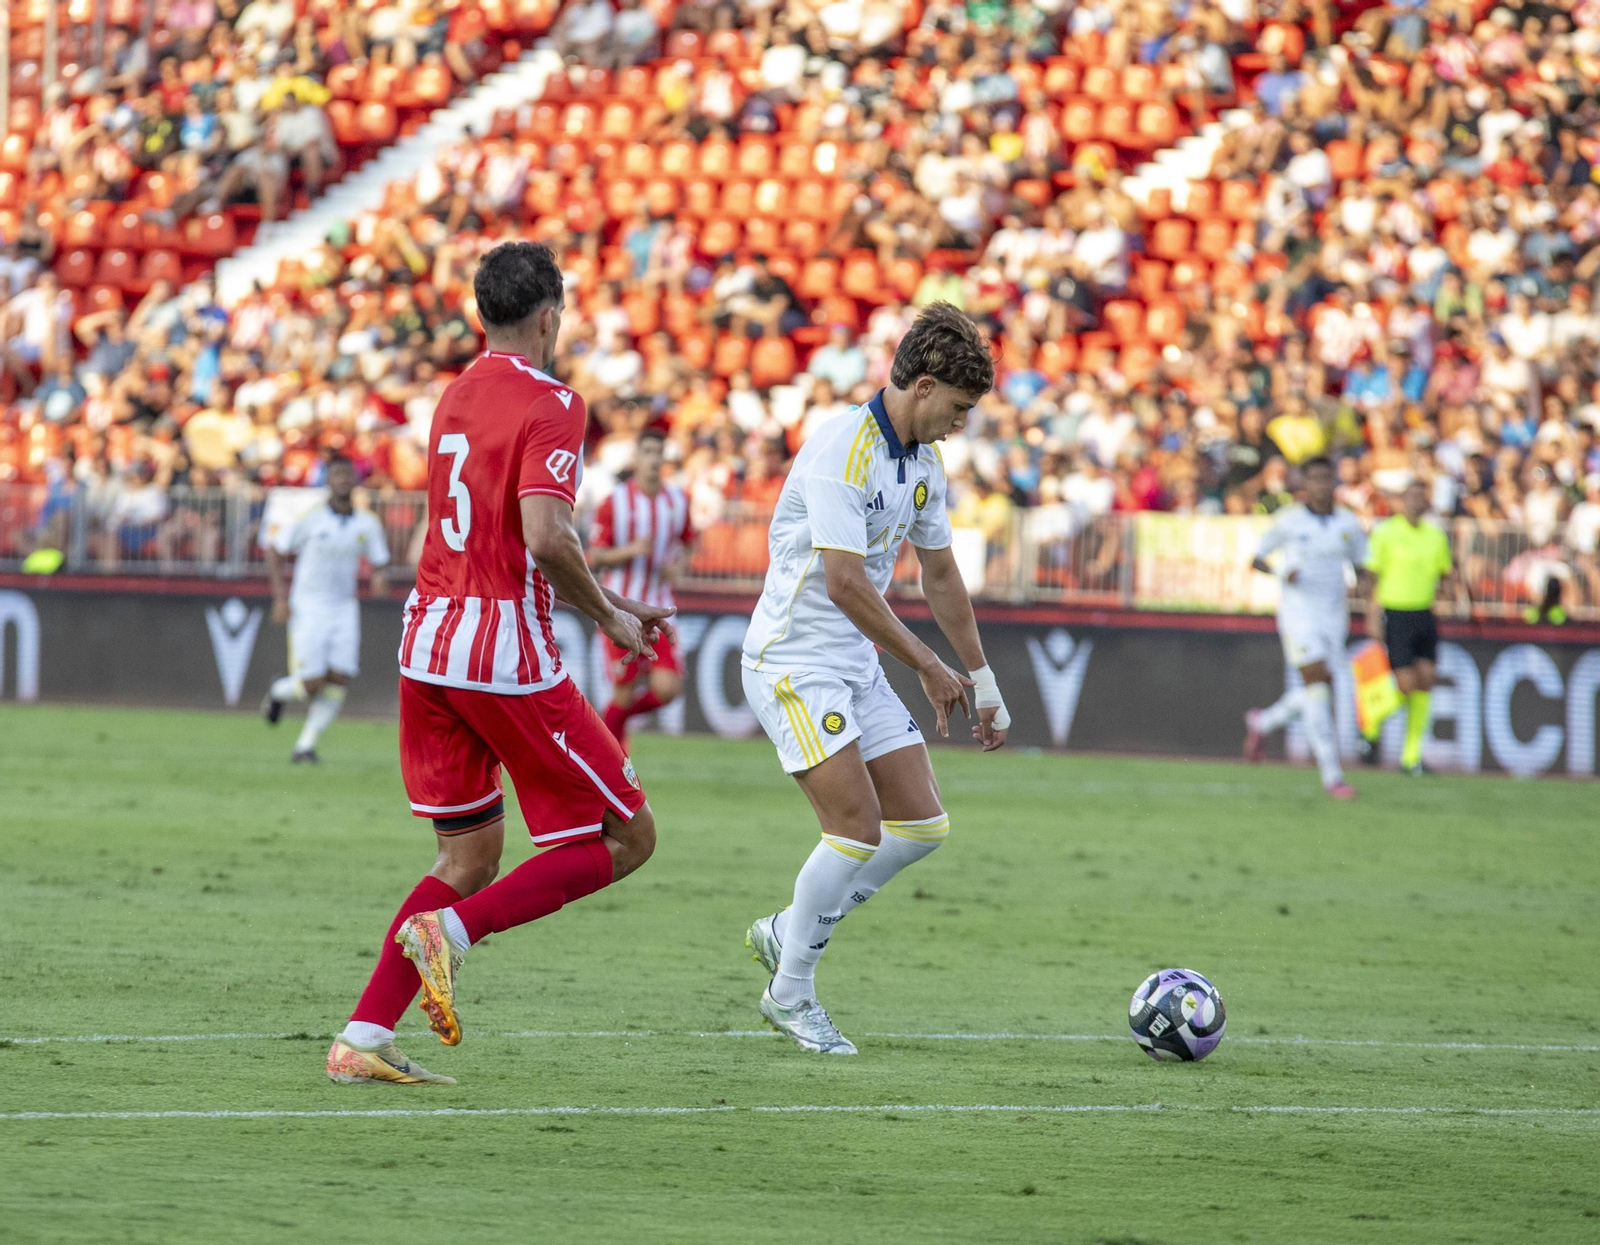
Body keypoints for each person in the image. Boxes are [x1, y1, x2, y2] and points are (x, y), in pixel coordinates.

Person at [325, 242, 672, 1086]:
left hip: (426, 643)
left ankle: (363, 1037)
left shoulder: (455, 393)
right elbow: (548, 538)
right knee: (630, 835)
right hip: (503, 654)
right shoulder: (554, 401)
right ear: (550, 314)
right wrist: (614, 614)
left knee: (467, 858)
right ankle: (453, 934)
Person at [739, 303, 1011, 1056]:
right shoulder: (842, 449)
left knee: (923, 823)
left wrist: (983, 679)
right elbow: (845, 583)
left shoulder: (922, 464)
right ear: (923, 386)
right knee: (855, 830)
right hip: (795, 662)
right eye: (957, 408)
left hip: (853, 664)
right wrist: (928, 663)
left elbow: (942, 573)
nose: (960, 423)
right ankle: (790, 994)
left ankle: (789, 929)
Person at [1242, 457, 1368, 799]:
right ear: (1305, 485)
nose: (1322, 486)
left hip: (1334, 616)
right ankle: (1332, 775)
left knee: (1319, 689)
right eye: (1315, 480)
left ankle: (1262, 722)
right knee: (1315, 683)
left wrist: (1366, 591)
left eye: (1327, 479)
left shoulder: (1348, 522)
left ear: (1334, 483)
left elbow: (1362, 565)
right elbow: (1257, 559)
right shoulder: (1289, 520)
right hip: (1299, 615)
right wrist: (1284, 573)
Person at [261, 456, 391, 762]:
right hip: (309, 605)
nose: (344, 480)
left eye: (348, 474)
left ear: (356, 481)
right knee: (310, 684)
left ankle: (305, 745)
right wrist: (280, 597)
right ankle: (279, 690)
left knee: (339, 677)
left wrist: (379, 577)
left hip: (344, 606)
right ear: (327, 481)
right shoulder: (310, 517)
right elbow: (274, 550)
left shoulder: (367, 523)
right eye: (337, 475)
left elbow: (380, 561)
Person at [588, 426, 694, 745]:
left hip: (660, 607)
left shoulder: (677, 501)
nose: (652, 459)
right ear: (636, 457)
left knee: (669, 688)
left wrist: (678, 567)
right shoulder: (615, 502)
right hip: (620, 609)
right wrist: (630, 550)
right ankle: (614, 766)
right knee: (623, 691)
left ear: (665, 457)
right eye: (646, 452)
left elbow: (688, 543)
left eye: (657, 452)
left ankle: (607, 726)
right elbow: (595, 555)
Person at [1359, 480, 1460, 775]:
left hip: (1424, 614)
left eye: (1421, 497)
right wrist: (1373, 614)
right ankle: (1372, 720)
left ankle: (1411, 757)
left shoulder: (1435, 536)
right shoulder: (1386, 532)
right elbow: (1373, 576)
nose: (1416, 502)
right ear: (1402, 501)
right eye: (1411, 497)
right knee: (1406, 684)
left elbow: (1445, 574)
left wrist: (1451, 594)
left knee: (1426, 680)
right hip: (1396, 613)